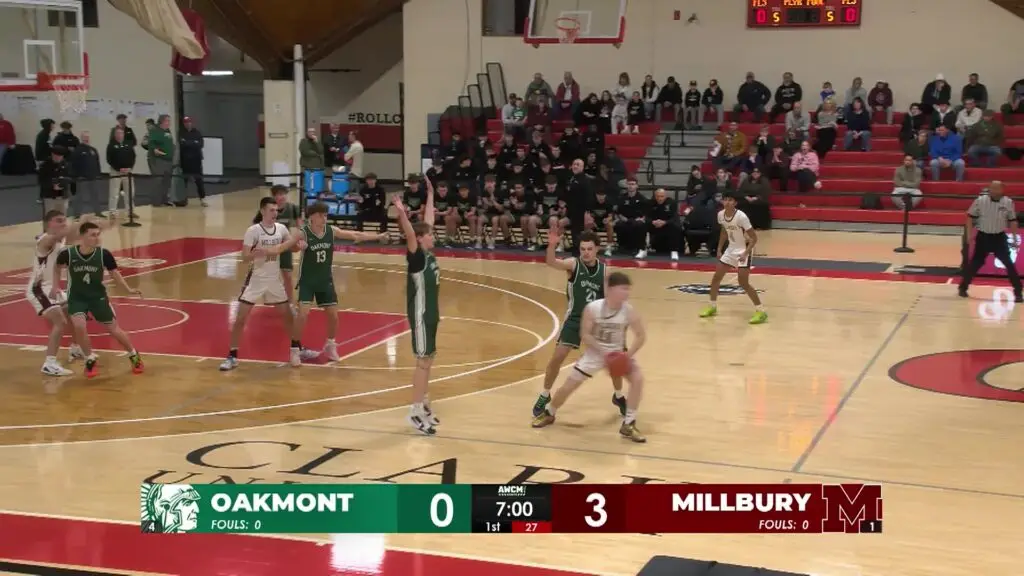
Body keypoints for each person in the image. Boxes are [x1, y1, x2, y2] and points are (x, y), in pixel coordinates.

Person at [531, 271, 647, 443]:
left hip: (618, 353)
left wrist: (626, 356)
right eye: (623, 289)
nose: (627, 293)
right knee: (569, 386)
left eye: (627, 289)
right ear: (610, 290)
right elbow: (585, 335)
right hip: (596, 353)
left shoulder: (628, 311)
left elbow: (641, 336)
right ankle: (550, 412)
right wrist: (604, 353)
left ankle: (629, 423)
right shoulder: (593, 308)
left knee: (638, 379)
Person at [533, 227, 625, 418]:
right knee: (557, 357)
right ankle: (545, 394)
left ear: (597, 249)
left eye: (589, 249)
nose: (586, 252)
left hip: (597, 323)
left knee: (614, 360)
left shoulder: (605, 272)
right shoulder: (573, 265)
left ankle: (618, 396)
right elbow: (551, 262)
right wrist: (551, 246)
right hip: (575, 319)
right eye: (583, 249)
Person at [291, 202, 387, 363]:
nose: (324, 218)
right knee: (302, 315)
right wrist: (297, 247)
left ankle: (330, 345)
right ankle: (294, 349)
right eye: (321, 215)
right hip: (308, 280)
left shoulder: (331, 230)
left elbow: (356, 234)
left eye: (325, 215)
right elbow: (290, 247)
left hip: (325, 280)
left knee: (333, 316)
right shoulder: (303, 233)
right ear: (312, 216)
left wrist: (378, 236)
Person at [219, 197, 306, 371]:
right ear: (262, 211)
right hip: (256, 279)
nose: (275, 213)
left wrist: (300, 245)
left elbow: (292, 247)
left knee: (288, 316)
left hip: (274, 280)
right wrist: (259, 253)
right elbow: (244, 257)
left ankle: (297, 349)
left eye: (276, 210)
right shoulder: (253, 231)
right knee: (240, 318)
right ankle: (232, 356)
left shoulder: (281, 229)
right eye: (271, 210)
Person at [53, 221, 144, 378]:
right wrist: (55, 286)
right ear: (82, 236)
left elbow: (115, 273)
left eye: (98, 235)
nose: (97, 238)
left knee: (114, 329)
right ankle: (90, 359)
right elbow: (56, 267)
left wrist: (128, 289)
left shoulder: (104, 255)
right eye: (92, 235)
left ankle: (133, 354)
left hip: (97, 297)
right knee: (79, 326)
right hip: (77, 298)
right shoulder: (68, 254)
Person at [392, 179, 441, 435]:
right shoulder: (417, 257)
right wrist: (402, 213)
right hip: (420, 315)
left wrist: (430, 195)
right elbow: (411, 234)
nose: (434, 236)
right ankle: (414, 411)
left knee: (428, 360)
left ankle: (424, 402)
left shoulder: (429, 254)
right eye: (429, 235)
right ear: (421, 240)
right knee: (422, 362)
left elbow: (428, 220)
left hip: (432, 315)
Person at [27, 210, 87, 376]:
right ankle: (49, 363)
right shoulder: (45, 239)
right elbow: (64, 234)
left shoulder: (61, 240)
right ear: (48, 224)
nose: (63, 223)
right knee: (60, 321)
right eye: (58, 221)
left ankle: (75, 348)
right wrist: (81, 221)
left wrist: (89, 225)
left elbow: (76, 236)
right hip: (38, 289)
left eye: (64, 220)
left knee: (75, 311)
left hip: (52, 288)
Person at [699, 194, 767, 325]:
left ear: (735, 203)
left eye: (730, 200)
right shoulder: (720, 215)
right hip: (730, 250)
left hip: (744, 250)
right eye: (725, 200)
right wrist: (719, 249)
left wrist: (745, 253)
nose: (727, 202)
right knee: (716, 278)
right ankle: (712, 306)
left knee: (743, 283)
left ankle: (761, 311)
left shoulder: (741, 217)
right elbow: (724, 231)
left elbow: (754, 238)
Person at [959, 182, 1022, 302]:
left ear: (1002, 190)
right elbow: (969, 217)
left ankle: (1018, 292)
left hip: (999, 238)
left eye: (996, 188)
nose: (993, 190)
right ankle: (963, 287)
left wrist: (1014, 238)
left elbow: (1013, 220)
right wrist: (969, 235)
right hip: (983, 237)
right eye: (991, 188)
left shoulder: (1008, 202)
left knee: (1009, 264)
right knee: (975, 263)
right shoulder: (980, 201)